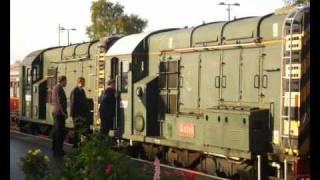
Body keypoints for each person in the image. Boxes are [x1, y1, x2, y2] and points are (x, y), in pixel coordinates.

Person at [70, 77, 90, 148]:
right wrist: (73, 115)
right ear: (80, 82)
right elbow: (73, 103)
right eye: (83, 82)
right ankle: (76, 144)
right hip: (77, 115)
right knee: (77, 129)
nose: (84, 83)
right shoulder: (75, 91)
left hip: (82, 114)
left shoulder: (82, 91)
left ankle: (79, 144)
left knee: (81, 129)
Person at [51, 76, 68, 156]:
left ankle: (55, 148)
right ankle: (58, 150)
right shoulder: (58, 88)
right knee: (59, 132)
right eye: (66, 81)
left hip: (57, 113)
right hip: (59, 113)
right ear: (63, 81)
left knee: (57, 131)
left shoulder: (57, 88)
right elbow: (58, 102)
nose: (66, 83)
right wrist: (63, 112)